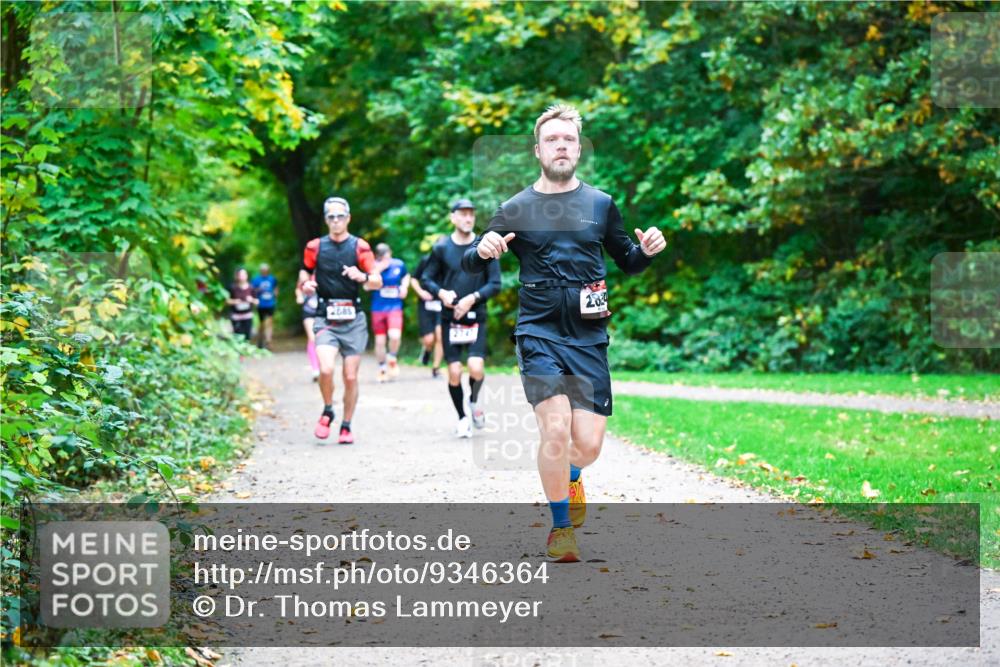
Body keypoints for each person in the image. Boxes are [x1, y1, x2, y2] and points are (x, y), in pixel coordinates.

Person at [462, 104, 667, 562]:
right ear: (538, 150)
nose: (561, 146)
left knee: (588, 446)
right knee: (554, 429)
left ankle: (573, 475)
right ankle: (560, 529)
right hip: (538, 332)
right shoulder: (516, 208)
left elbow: (628, 260)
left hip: (589, 336)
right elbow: (470, 262)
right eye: (552, 140)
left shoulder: (600, 205)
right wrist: (483, 248)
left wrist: (647, 251)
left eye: (569, 140)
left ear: (579, 149)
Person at [298, 196, 382, 444]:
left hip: (353, 320)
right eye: (331, 217)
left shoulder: (360, 247)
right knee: (325, 368)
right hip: (325, 318)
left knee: (350, 376)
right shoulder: (315, 246)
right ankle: (327, 409)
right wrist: (307, 284)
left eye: (340, 216)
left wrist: (362, 277)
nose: (336, 221)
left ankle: (346, 425)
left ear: (348, 218)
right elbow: (305, 271)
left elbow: (377, 281)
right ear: (326, 220)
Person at [421, 198, 501, 439]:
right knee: (454, 372)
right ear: (453, 217)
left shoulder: (485, 247)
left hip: (477, 316)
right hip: (449, 318)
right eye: (463, 214)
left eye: (471, 214)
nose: (468, 218)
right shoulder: (441, 248)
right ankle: (462, 417)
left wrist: (471, 299)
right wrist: (442, 293)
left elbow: (496, 284)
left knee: (476, 367)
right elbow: (427, 278)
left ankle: (474, 402)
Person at [370, 243, 409, 382]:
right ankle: (382, 369)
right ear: (377, 257)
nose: (387, 260)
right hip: (378, 308)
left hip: (394, 307)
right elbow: (366, 287)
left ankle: (392, 357)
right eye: (382, 258)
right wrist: (377, 271)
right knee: (380, 341)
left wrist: (404, 286)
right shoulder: (372, 266)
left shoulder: (398, 264)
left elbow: (406, 276)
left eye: (388, 256)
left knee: (395, 335)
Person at [410, 249, 444, 378]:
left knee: (440, 336)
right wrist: (421, 292)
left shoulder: (451, 262)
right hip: (426, 304)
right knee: (429, 339)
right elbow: (413, 279)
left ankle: (436, 368)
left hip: (443, 304)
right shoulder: (426, 260)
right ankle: (427, 351)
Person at [295, 284, 321, 382]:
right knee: (312, 338)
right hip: (308, 311)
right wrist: (299, 296)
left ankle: (322, 366)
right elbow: (298, 288)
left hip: (323, 312)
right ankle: (315, 369)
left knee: (322, 339)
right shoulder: (306, 272)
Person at [251, 263, 278, 350]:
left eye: (266, 270)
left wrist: (275, 295)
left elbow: (276, 288)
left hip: (270, 303)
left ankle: (268, 341)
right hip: (261, 304)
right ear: (260, 270)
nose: (264, 271)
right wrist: (258, 291)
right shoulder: (256, 280)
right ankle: (260, 340)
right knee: (262, 323)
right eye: (263, 270)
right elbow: (252, 290)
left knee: (269, 322)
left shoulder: (272, 279)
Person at [226, 267, 257, 342]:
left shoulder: (251, 287)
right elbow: (226, 301)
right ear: (237, 276)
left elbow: (257, 302)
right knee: (238, 337)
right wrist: (235, 301)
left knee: (247, 337)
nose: (242, 276)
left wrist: (251, 300)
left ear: (247, 275)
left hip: (248, 316)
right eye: (241, 275)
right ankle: (240, 353)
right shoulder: (232, 287)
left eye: (244, 274)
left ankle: (246, 352)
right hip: (236, 317)